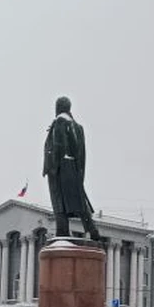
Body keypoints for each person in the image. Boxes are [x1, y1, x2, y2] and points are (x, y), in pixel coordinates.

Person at [43, 96, 101, 240]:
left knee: (59, 202)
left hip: (59, 168)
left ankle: (62, 230)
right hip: (73, 167)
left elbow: (59, 145)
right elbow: (81, 153)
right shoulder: (78, 127)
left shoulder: (60, 122)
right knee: (78, 199)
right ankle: (92, 229)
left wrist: (52, 167)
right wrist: (78, 171)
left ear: (58, 107)